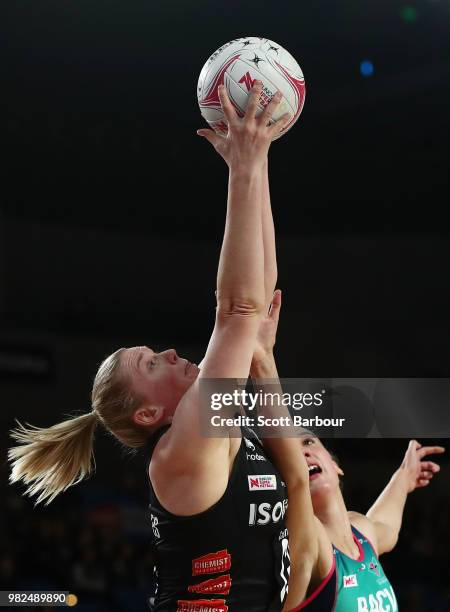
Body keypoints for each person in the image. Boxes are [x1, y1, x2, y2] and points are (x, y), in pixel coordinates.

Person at [8, 82, 293, 611]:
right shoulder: (183, 448)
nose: (165, 352)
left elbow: (254, 302)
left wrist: (259, 159)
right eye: (149, 362)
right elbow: (237, 313)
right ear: (148, 411)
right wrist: (244, 168)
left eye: (152, 351)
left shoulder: (211, 423)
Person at [250, 292, 445, 611]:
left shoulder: (364, 534)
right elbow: (288, 459)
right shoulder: (310, 544)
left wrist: (403, 477)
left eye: (310, 442)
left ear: (335, 465)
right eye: (293, 450)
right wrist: (263, 359)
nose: (303, 454)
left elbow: (386, 522)